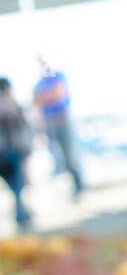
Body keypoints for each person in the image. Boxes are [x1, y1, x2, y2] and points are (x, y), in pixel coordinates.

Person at [32, 56, 83, 197]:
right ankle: (69, 188)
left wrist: (45, 96)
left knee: (70, 155)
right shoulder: (39, 83)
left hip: (63, 118)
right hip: (49, 121)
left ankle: (79, 187)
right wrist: (48, 96)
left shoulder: (57, 76)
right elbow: (37, 102)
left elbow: (58, 94)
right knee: (56, 156)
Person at [0, 77, 34, 233]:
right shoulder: (9, 106)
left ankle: (23, 214)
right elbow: (19, 132)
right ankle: (22, 217)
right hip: (9, 153)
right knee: (18, 186)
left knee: (15, 187)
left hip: (5, 153)